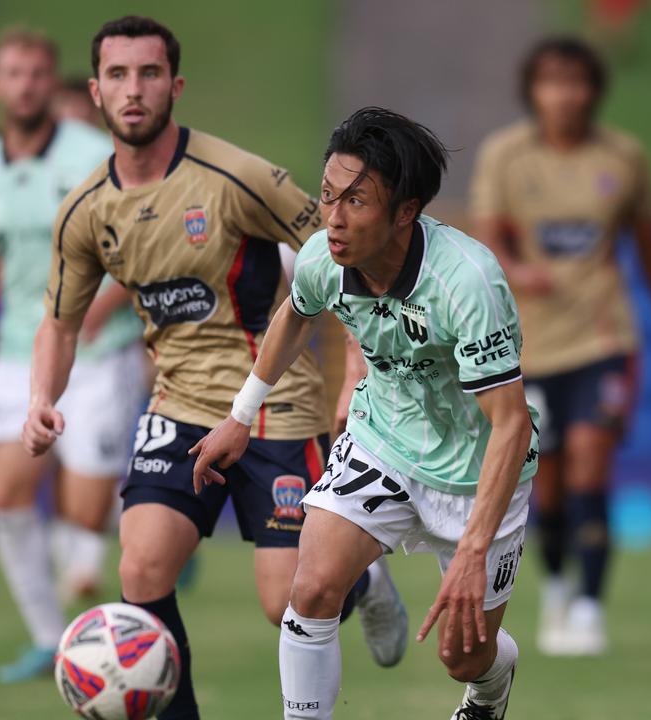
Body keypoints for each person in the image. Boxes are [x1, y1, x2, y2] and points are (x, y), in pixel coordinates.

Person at [21, 17, 407, 720]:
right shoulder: (84, 210)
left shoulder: (235, 176)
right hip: (179, 406)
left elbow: (338, 252)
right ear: (95, 92)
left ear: (175, 85)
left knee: (284, 603)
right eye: (117, 76)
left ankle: (367, 581)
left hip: (278, 402)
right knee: (139, 569)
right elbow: (61, 321)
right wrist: (42, 396)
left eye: (147, 74)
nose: (133, 90)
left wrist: (357, 364)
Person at [192, 107, 539, 720]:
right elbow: (296, 313)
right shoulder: (325, 258)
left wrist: (474, 549)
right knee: (312, 587)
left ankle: (490, 688)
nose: (333, 217)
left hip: (479, 467)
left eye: (356, 201)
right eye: (328, 195)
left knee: (464, 656)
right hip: (383, 441)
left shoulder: (466, 282)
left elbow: (510, 424)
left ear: (405, 211)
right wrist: (241, 414)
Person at [0, 27, 146, 683]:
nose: (23, 84)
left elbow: (132, 255)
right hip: (17, 355)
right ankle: (50, 639)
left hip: (98, 352)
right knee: (7, 494)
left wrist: (87, 318)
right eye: (12, 73)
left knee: (82, 514)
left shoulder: (92, 155)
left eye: (34, 74)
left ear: (50, 86)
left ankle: (128, 528)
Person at [470, 36, 651, 656]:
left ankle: (591, 607)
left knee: (593, 461)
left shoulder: (623, 157)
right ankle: (560, 585)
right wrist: (517, 268)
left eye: (575, 82)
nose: (563, 95)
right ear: (532, 91)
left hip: (603, 336)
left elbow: (647, 244)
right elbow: (487, 243)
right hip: (532, 347)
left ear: (593, 90)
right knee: (553, 483)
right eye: (550, 82)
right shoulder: (505, 156)